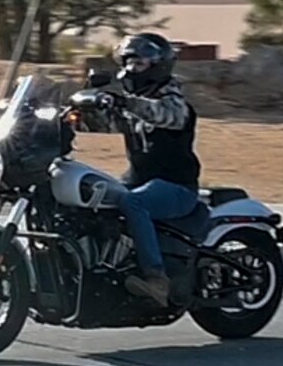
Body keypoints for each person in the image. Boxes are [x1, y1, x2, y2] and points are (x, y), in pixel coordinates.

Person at [74, 32, 201, 306]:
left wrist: (124, 102)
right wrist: (59, 117)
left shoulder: (175, 103)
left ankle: (157, 280)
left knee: (134, 203)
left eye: (138, 64)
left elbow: (163, 115)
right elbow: (101, 124)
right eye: (127, 63)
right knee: (97, 198)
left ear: (157, 66)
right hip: (139, 181)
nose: (130, 70)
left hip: (177, 187)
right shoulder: (133, 105)